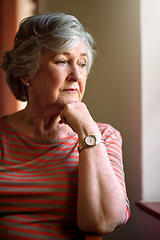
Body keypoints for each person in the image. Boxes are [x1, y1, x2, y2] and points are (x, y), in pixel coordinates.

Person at [0, 12, 130, 240]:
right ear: (25, 73)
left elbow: (103, 222)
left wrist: (88, 130)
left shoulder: (105, 136)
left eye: (82, 63)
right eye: (62, 61)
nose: (76, 75)